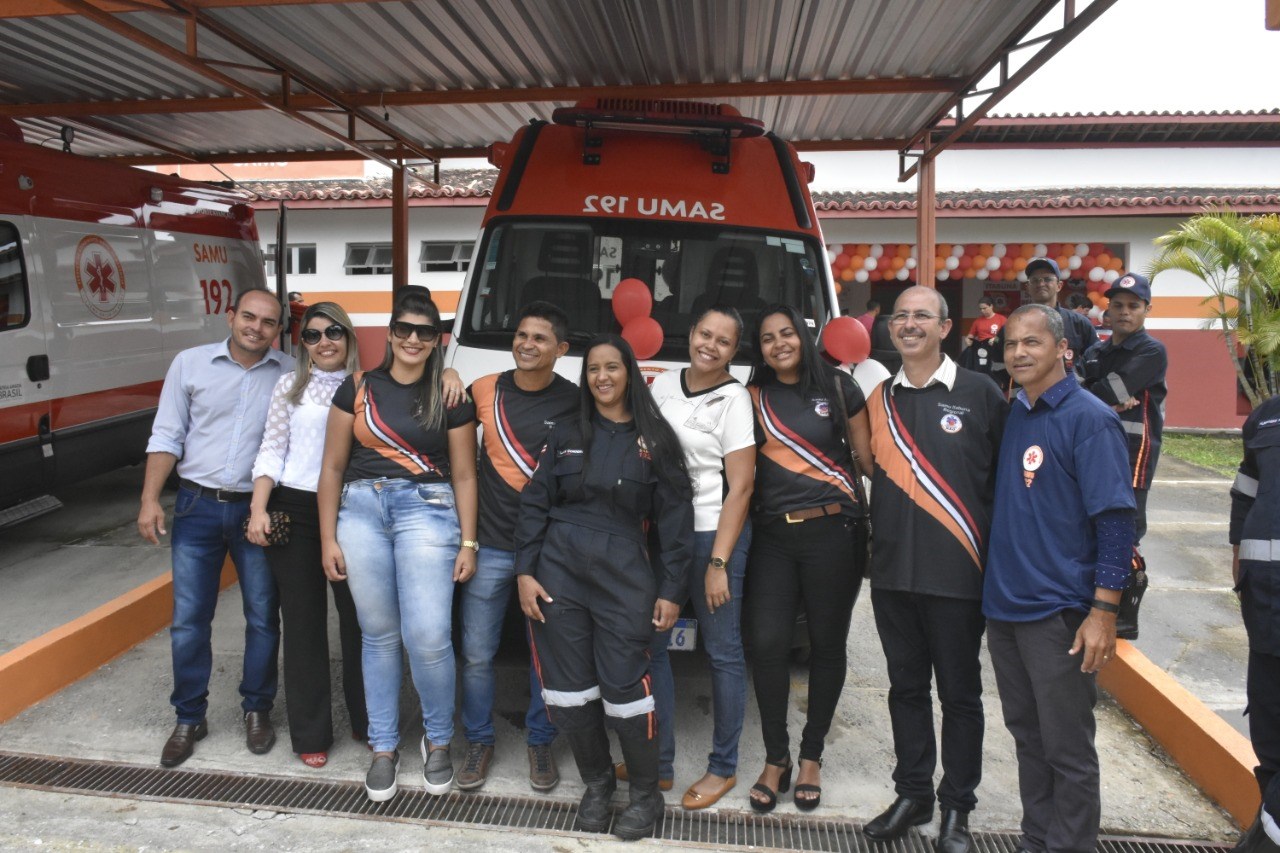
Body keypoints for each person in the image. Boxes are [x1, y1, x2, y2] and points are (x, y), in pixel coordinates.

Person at [515, 335, 694, 841]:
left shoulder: (655, 439)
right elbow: (534, 504)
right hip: (558, 572)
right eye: (593, 368)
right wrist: (526, 571)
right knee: (569, 691)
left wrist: (671, 591)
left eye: (612, 367)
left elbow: (676, 525)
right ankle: (596, 785)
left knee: (625, 690)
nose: (602, 378)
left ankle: (644, 794)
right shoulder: (566, 432)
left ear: (628, 373)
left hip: (625, 575)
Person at [317, 288, 478, 802]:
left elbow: (465, 476)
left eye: (424, 331)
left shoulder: (451, 395)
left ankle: (438, 742)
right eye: (404, 329)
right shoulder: (358, 388)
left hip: (428, 513)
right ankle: (384, 747)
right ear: (388, 333)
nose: (412, 338)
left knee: (429, 636)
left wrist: (469, 541)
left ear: (437, 340)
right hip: (361, 513)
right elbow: (332, 468)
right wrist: (326, 538)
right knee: (378, 634)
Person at [984, 304, 1135, 853]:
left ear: (1063, 349)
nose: (1018, 353)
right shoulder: (1017, 412)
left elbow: (1117, 521)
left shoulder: (1089, 418)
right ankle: (1036, 839)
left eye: (1032, 343)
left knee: (1067, 748)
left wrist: (1103, 613)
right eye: (1010, 344)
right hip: (1005, 609)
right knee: (1028, 739)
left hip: (1059, 616)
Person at [862, 287, 1007, 853]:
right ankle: (913, 793)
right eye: (901, 316)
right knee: (905, 690)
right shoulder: (879, 398)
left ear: (946, 327)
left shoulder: (981, 393)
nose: (910, 323)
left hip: (958, 575)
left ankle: (957, 809)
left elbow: (1002, 490)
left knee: (960, 695)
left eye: (922, 315)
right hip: (893, 573)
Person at [138, 288, 292, 768]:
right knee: (188, 620)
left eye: (268, 322)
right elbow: (167, 434)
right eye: (249, 317)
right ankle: (189, 716)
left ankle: (257, 710)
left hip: (257, 510)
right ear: (230, 316)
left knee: (263, 617)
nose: (256, 327)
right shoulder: (190, 363)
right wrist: (149, 499)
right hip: (196, 507)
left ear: (277, 329)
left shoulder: (290, 373)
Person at [745, 303, 872, 813]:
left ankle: (812, 755)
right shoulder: (751, 397)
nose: (779, 343)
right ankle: (776, 757)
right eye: (768, 337)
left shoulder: (841, 388)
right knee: (768, 643)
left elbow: (867, 462)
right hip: (773, 537)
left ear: (803, 336)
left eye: (787, 334)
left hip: (834, 535)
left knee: (826, 644)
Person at [458, 301, 578, 793]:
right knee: (477, 653)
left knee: (542, 656)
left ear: (561, 349)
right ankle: (479, 740)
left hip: (546, 553)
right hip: (489, 544)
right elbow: (458, 458)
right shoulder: (483, 388)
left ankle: (540, 739)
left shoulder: (575, 400)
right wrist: (447, 370)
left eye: (540, 338)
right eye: (522, 335)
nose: (527, 344)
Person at [245, 302, 365, 768]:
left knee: (359, 622)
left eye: (334, 331)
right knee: (303, 625)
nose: (324, 342)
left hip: (352, 511)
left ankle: (369, 719)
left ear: (349, 336)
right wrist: (258, 507)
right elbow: (272, 450)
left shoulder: (368, 386)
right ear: (303, 346)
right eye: (312, 336)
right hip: (294, 508)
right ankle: (311, 733)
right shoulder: (288, 387)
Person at [647, 306, 756, 811]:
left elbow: (741, 487)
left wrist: (718, 563)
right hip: (667, 535)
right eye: (704, 334)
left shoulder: (735, 399)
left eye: (724, 341)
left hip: (713, 533)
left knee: (723, 652)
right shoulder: (664, 384)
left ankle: (723, 768)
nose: (710, 346)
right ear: (690, 334)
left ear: (735, 350)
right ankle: (660, 763)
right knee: (653, 644)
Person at [1082, 272, 1167, 546]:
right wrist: (1104, 393)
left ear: (1147, 310)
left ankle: (1125, 588)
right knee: (1089, 522)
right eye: (1118, 305)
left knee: (1124, 531)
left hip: (1132, 453)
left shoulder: (1152, 351)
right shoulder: (1095, 352)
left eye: (1133, 306)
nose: (1124, 312)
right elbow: (1078, 393)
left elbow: (1108, 391)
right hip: (1092, 446)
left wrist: (1098, 391)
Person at [1230, 396, 1280, 853]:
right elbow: (1246, 492)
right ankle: (1266, 820)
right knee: (1268, 726)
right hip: (1264, 601)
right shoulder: (1266, 416)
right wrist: (1237, 557)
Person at [991, 257, 1098, 388]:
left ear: (1059, 286)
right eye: (1035, 280)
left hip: (1070, 399)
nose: (1041, 284)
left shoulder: (1080, 323)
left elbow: (1096, 361)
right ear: (1027, 287)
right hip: (1027, 400)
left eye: (1047, 279)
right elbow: (997, 365)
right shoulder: (1013, 325)